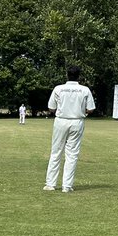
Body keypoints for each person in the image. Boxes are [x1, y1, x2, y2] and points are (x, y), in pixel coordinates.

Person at [43, 65, 96, 193]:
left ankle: (50, 184)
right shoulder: (84, 90)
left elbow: (51, 108)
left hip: (61, 121)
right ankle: (67, 186)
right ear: (79, 76)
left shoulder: (58, 88)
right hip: (77, 121)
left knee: (56, 152)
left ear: (67, 75)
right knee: (72, 154)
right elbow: (90, 109)